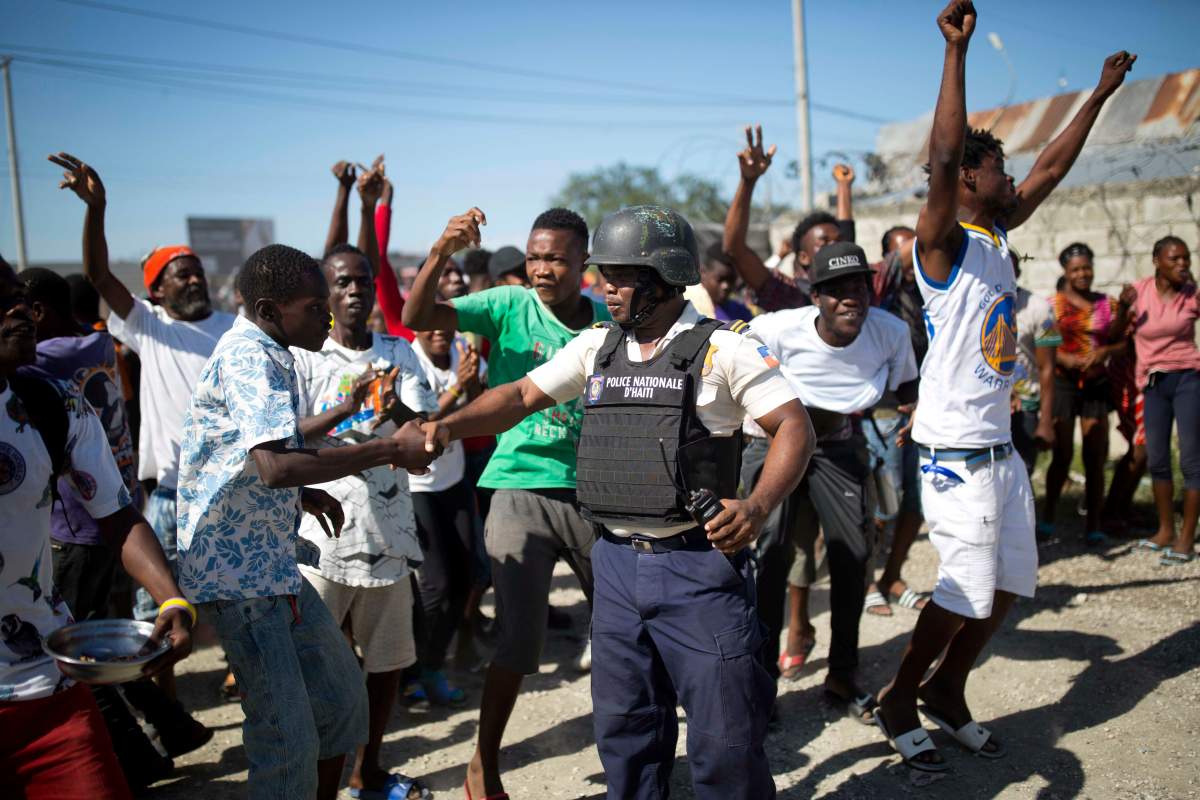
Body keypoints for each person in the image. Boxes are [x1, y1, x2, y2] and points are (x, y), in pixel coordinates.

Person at [422, 205, 811, 800]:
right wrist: (446, 427)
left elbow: (792, 427)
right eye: (604, 272)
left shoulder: (723, 349)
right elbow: (521, 394)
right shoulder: (597, 347)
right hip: (616, 565)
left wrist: (755, 507)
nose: (606, 285)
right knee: (626, 733)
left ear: (663, 277)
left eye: (622, 273)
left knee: (725, 738)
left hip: (697, 567)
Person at [875, 1, 1134, 771]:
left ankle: (948, 690)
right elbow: (948, 155)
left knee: (1011, 585)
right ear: (965, 184)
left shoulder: (998, 236)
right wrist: (955, 55)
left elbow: (1052, 167)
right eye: (997, 168)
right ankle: (898, 694)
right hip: (954, 452)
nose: (1011, 174)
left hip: (1000, 448)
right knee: (961, 588)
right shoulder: (943, 244)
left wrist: (1097, 96)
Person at [175, 243, 436, 800]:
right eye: (315, 306)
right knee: (285, 740)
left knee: (342, 701)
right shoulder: (250, 355)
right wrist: (386, 450)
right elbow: (274, 466)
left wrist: (303, 495)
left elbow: (252, 454)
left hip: (272, 564)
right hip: (241, 579)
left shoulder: (274, 350)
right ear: (270, 309)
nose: (329, 314)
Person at [401, 207, 609, 800]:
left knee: (624, 628)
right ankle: (482, 762)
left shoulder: (605, 322)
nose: (543, 269)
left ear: (584, 264)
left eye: (557, 259)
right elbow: (415, 315)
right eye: (535, 257)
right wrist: (442, 248)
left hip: (590, 491)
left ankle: (632, 753)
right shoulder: (507, 305)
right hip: (517, 484)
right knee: (520, 639)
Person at [0, 254, 194, 800]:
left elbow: (116, 513)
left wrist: (171, 601)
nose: (19, 310)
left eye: (20, 297)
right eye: (1, 300)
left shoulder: (51, 403)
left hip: (45, 691)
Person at [47, 153, 238, 650]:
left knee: (239, 601)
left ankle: (241, 676)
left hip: (232, 487)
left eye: (196, 271)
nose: (194, 279)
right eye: (181, 274)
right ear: (156, 288)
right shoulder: (150, 325)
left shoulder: (236, 330)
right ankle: (170, 704)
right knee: (159, 612)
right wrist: (97, 209)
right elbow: (97, 274)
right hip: (173, 492)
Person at [291, 242, 439, 799]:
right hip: (319, 540)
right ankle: (315, 777)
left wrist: (395, 405)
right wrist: (346, 408)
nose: (354, 291)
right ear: (324, 294)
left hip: (389, 534)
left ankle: (367, 768)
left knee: (386, 665)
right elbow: (279, 442)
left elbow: (429, 445)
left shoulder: (400, 354)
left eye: (362, 281)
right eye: (342, 282)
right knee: (317, 669)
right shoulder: (304, 358)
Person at [750, 242, 918, 721]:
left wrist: (915, 411)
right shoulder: (778, 328)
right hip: (775, 441)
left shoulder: (889, 331)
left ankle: (843, 676)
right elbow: (731, 354)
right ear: (815, 296)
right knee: (769, 556)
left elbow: (908, 387)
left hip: (839, 443)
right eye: (837, 290)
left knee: (853, 556)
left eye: (859, 287)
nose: (852, 298)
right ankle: (760, 685)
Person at [409, 327, 485, 701]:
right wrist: (458, 387)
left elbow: (478, 408)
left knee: (466, 578)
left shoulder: (464, 357)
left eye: (444, 321)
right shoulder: (408, 361)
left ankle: (432, 667)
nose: (438, 330)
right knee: (435, 584)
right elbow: (419, 427)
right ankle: (410, 670)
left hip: (453, 480)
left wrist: (468, 385)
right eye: (428, 322)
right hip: (416, 488)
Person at [1043, 241, 1131, 543]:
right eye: (1076, 269)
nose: (1082, 274)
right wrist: (1065, 359)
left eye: (1086, 268)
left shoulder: (1108, 304)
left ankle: (1094, 523)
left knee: (1095, 454)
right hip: (1064, 383)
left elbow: (1124, 342)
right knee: (1063, 453)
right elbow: (1043, 342)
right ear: (1066, 272)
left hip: (1096, 384)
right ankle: (1048, 515)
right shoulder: (1052, 305)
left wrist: (1105, 351)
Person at [863, 225, 929, 617]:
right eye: (901, 251)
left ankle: (893, 575)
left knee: (915, 505)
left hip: (924, 413)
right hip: (885, 415)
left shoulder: (926, 295)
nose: (911, 258)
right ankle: (868, 580)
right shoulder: (879, 298)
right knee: (884, 505)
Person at [1123, 236, 1199, 564]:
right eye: (1175, 258)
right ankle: (1165, 529)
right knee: (1157, 459)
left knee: (1191, 461)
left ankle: (1186, 539)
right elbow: (1116, 334)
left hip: (1188, 379)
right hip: (1153, 383)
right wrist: (1120, 309)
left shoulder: (1193, 295)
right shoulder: (1138, 292)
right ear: (1157, 260)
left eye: (1186, 258)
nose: (1183, 264)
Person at [723, 124, 856, 312]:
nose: (835, 248)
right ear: (803, 257)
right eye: (824, 242)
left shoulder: (862, 286)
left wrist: (843, 187)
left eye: (839, 241)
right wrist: (748, 181)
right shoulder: (790, 296)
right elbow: (734, 249)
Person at [1010, 251, 1060, 476]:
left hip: (1025, 406)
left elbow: (1048, 366)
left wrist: (1046, 420)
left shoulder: (1041, 309)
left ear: (1017, 271)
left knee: (1021, 472)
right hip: (987, 408)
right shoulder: (974, 307)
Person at [698, 243, 753, 322]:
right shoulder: (691, 308)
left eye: (731, 280)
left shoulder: (741, 313)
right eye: (720, 279)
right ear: (702, 273)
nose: (726, 286)